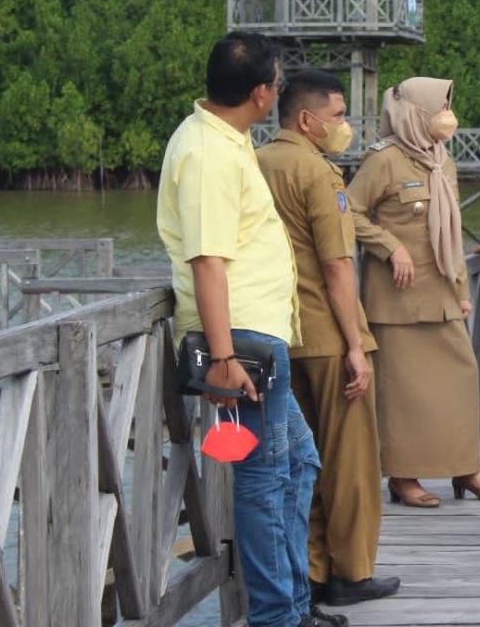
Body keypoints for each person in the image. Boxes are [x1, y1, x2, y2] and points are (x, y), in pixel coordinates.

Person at [157, 32, 336, 627]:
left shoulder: (229, 141)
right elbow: (208, 260)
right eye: (276, 83)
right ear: (262, 93)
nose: (277, 91)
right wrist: (224, 357)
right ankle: (277, 616)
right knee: (262, 483)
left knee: (298, 465)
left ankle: (294, 602)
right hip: (242, 342)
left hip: (259, 335)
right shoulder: (208, 152)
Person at [256, 70, 400, 606]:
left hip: (276, 333)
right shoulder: (319, 173)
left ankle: (311, 568)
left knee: (301, 461)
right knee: (350, 461)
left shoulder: (255, 163)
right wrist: (356, 346)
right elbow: (338, 266)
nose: (344, 126)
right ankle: (352, 570)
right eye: (337, 116)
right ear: (306, 119)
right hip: (327, 334)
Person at [346, 77, 480, 507]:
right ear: (415, 113)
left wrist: (461, 287)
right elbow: (347, 212)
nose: (446, 119)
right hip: (397, 300)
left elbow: (451, 234)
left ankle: (465, 466)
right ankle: (403, 476)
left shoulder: (441, 160)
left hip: (441, 296)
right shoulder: (383, 160)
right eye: (439, 109)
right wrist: (389, 246)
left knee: (462, 378)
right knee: (403, 395)